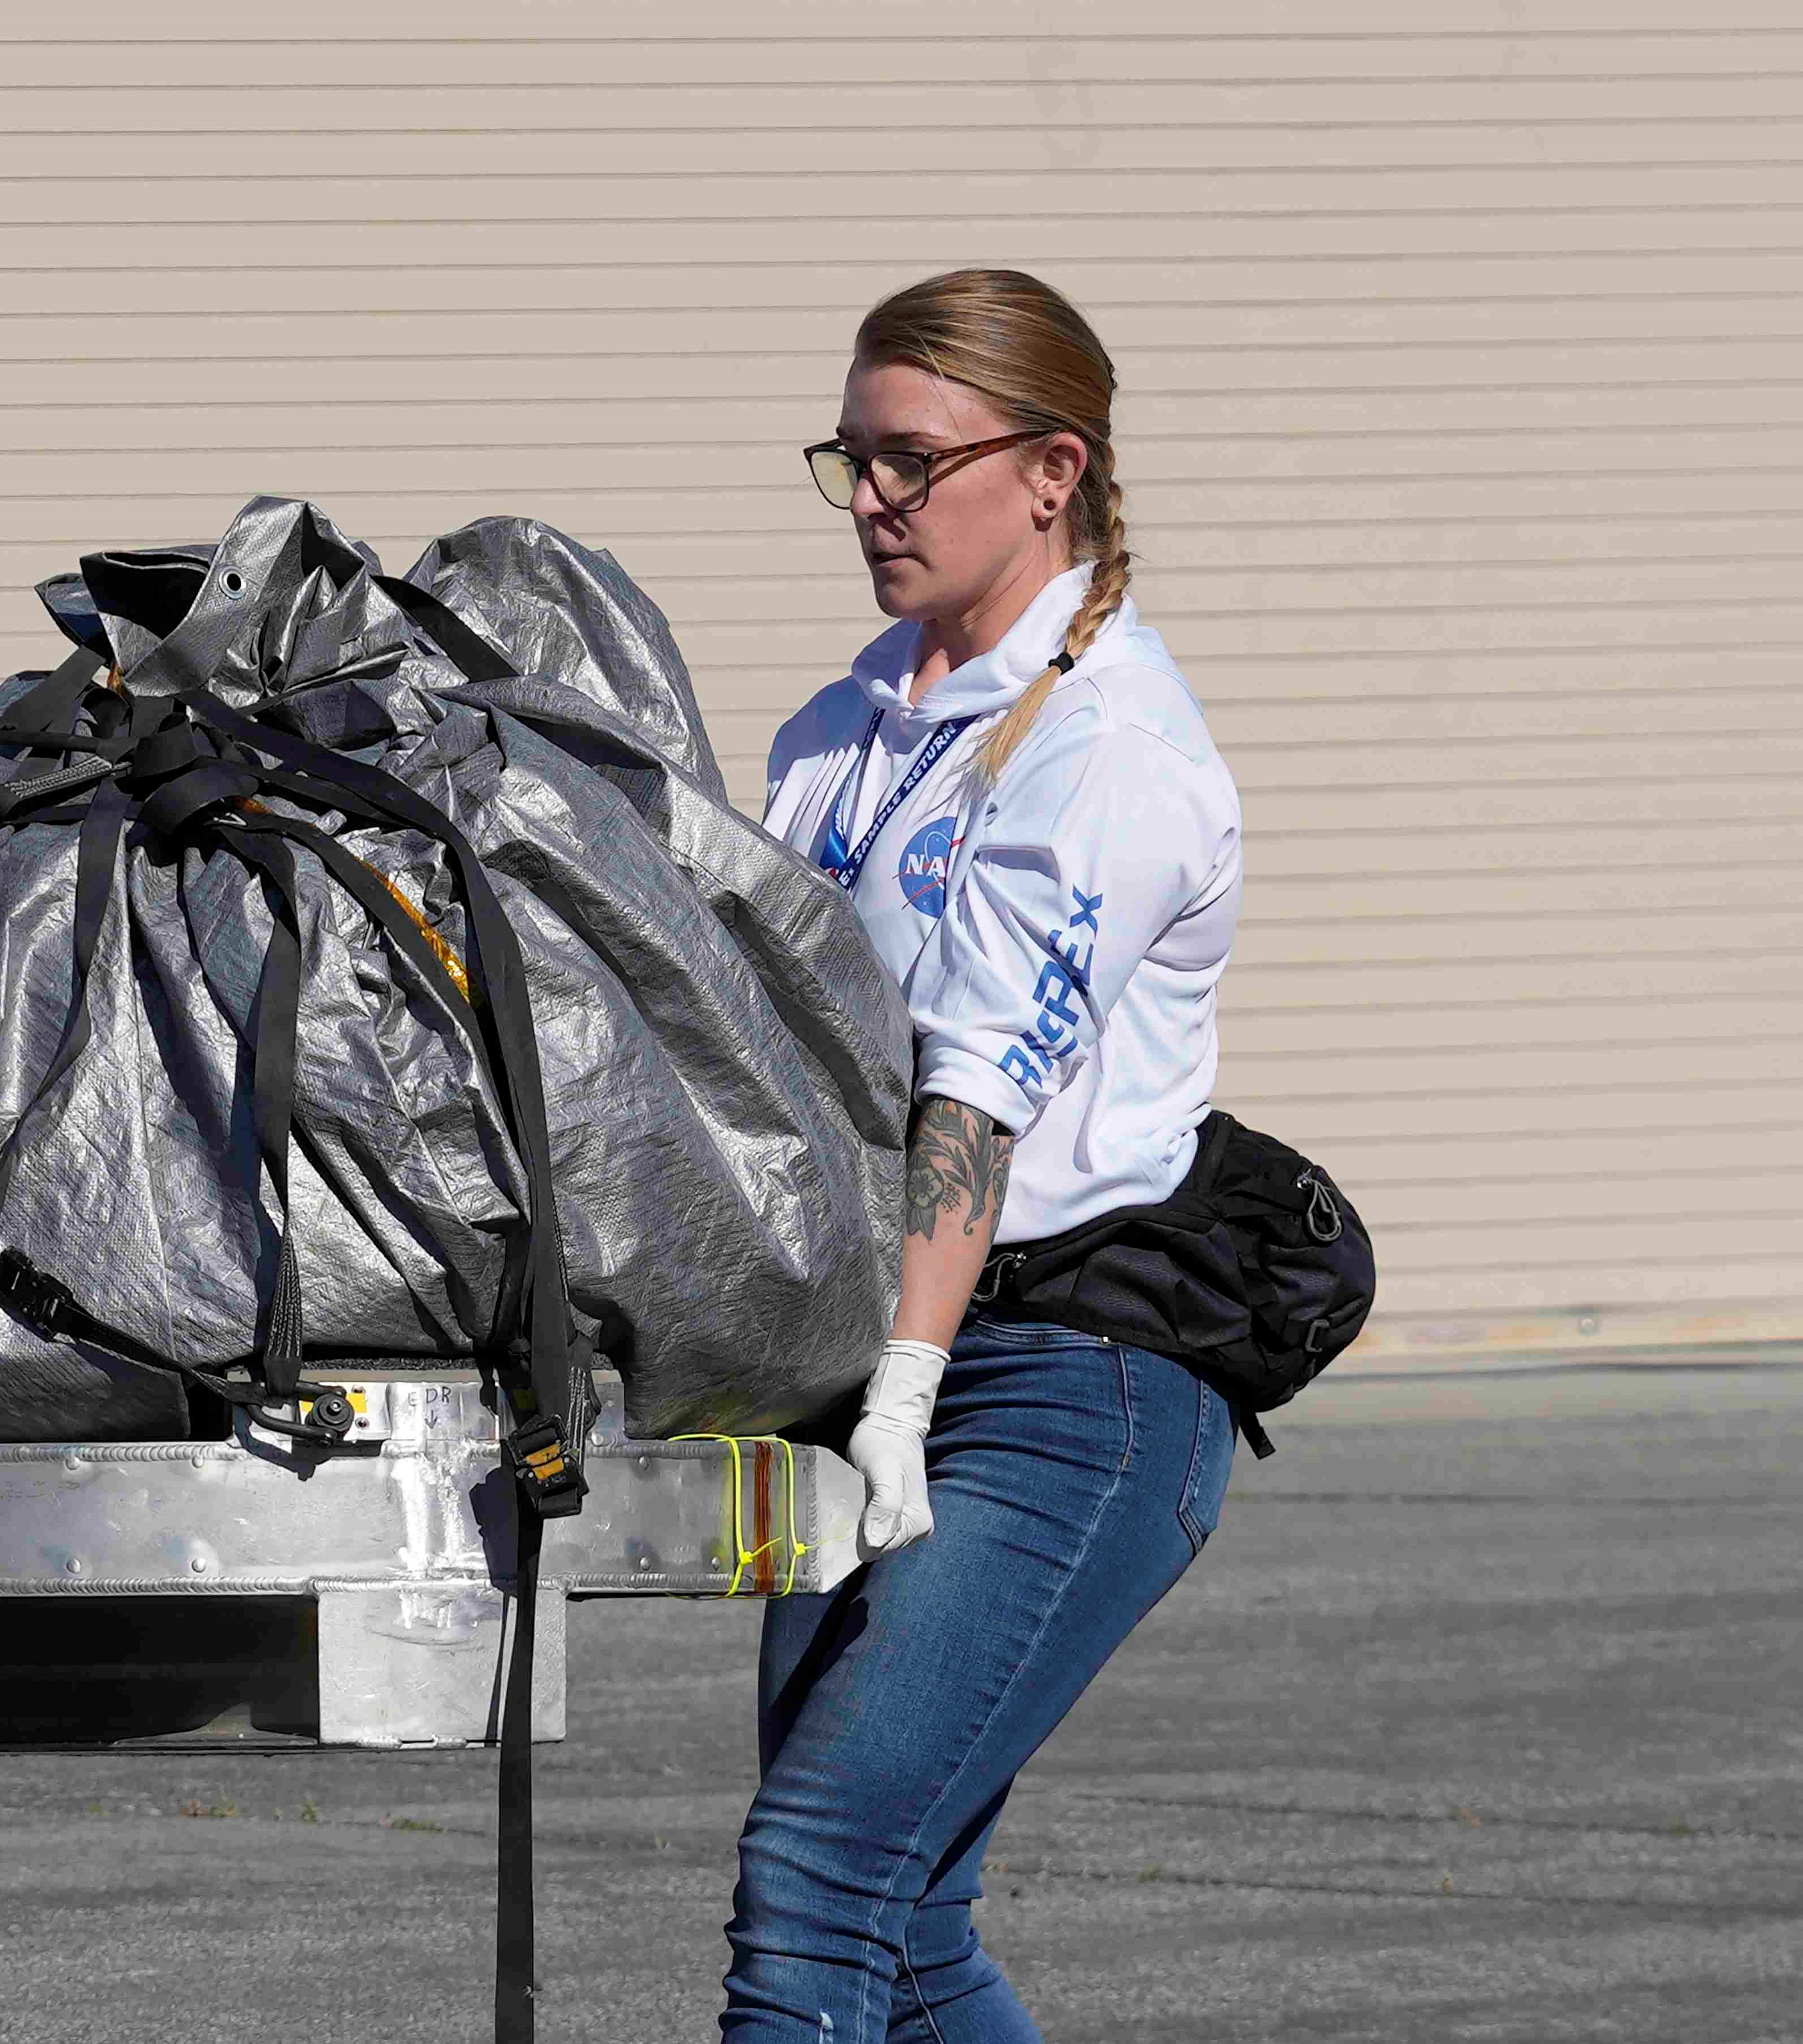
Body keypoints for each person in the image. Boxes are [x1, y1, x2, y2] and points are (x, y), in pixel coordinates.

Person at [723, 269, 1245, 2041]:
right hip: (883, 1350)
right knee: (909, 1922)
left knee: (820, 1884)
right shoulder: (847, 724)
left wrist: (907, 1381)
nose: (871, 497)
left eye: (912, 459)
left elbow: (977, 1097)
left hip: (1063, 1379)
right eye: (851, 458)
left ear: (1051, 471)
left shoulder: (1113, 750)